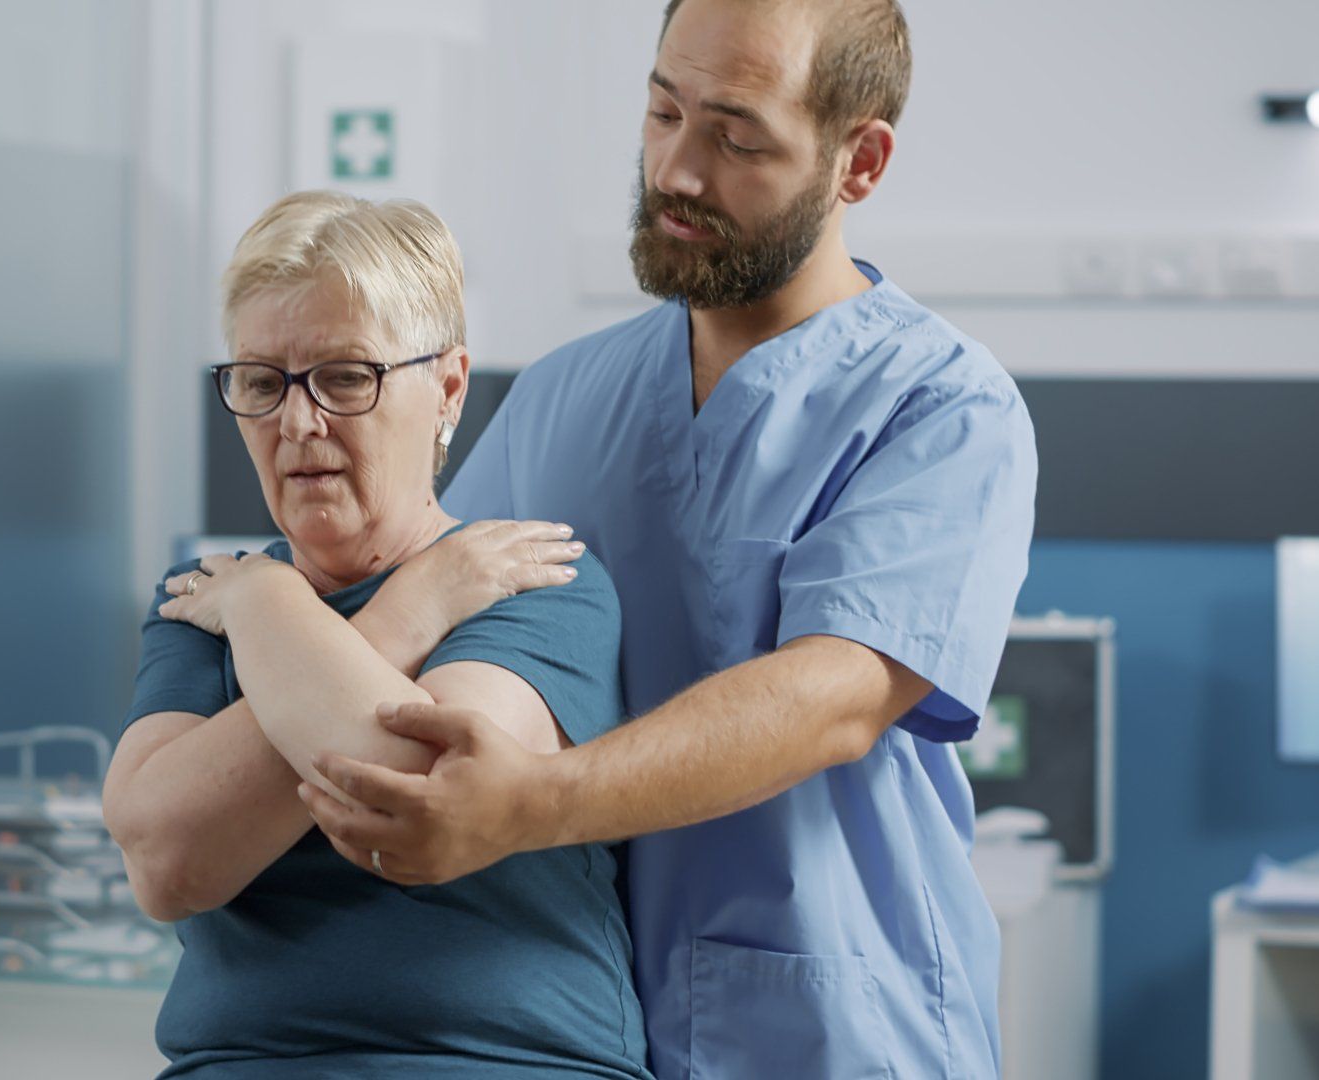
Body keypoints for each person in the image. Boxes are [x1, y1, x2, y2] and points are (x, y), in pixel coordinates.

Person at [299, 1, 1037, 1077]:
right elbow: (423, 638)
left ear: (859, 161)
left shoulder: (939, 407)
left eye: (736, 137)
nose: (677, 171)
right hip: (570, 1032)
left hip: (835, 1026)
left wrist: (529, 806)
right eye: (661, 111)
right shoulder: (561, 398)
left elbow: (835, 695)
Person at [102, 191, 656, 1079]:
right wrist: (372, 607)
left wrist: (271, 612)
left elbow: (414, 799)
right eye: (260, 381)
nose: (297, 423)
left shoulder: (531, 580)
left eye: (346, 377)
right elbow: (166, 860)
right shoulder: (208, 604)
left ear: (446, 389)